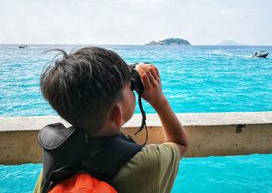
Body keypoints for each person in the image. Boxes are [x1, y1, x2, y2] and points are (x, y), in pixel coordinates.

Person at [33, 47, 188, 193]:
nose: (132, 89)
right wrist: (158, 101)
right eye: (129, 87)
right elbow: (180, 144)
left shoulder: (55, 155)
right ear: (117, 114)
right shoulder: (149, 162)